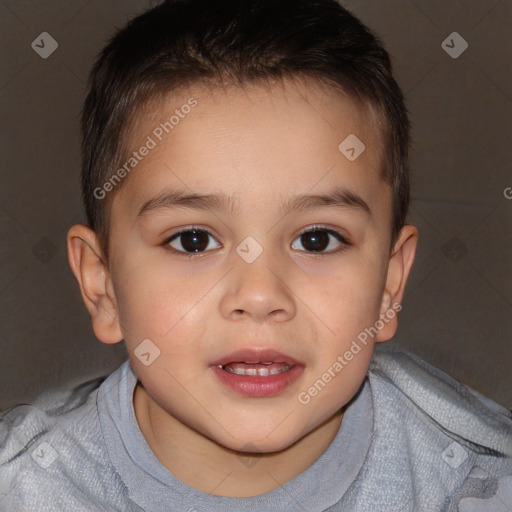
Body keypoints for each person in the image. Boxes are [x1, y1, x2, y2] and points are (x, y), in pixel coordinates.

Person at [1, 1, 511, 510]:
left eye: (317, 239)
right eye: (193, 240)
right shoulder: (25, 488)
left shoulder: (480, 482)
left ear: (389, 285)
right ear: (103, 285)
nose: (261, 296)